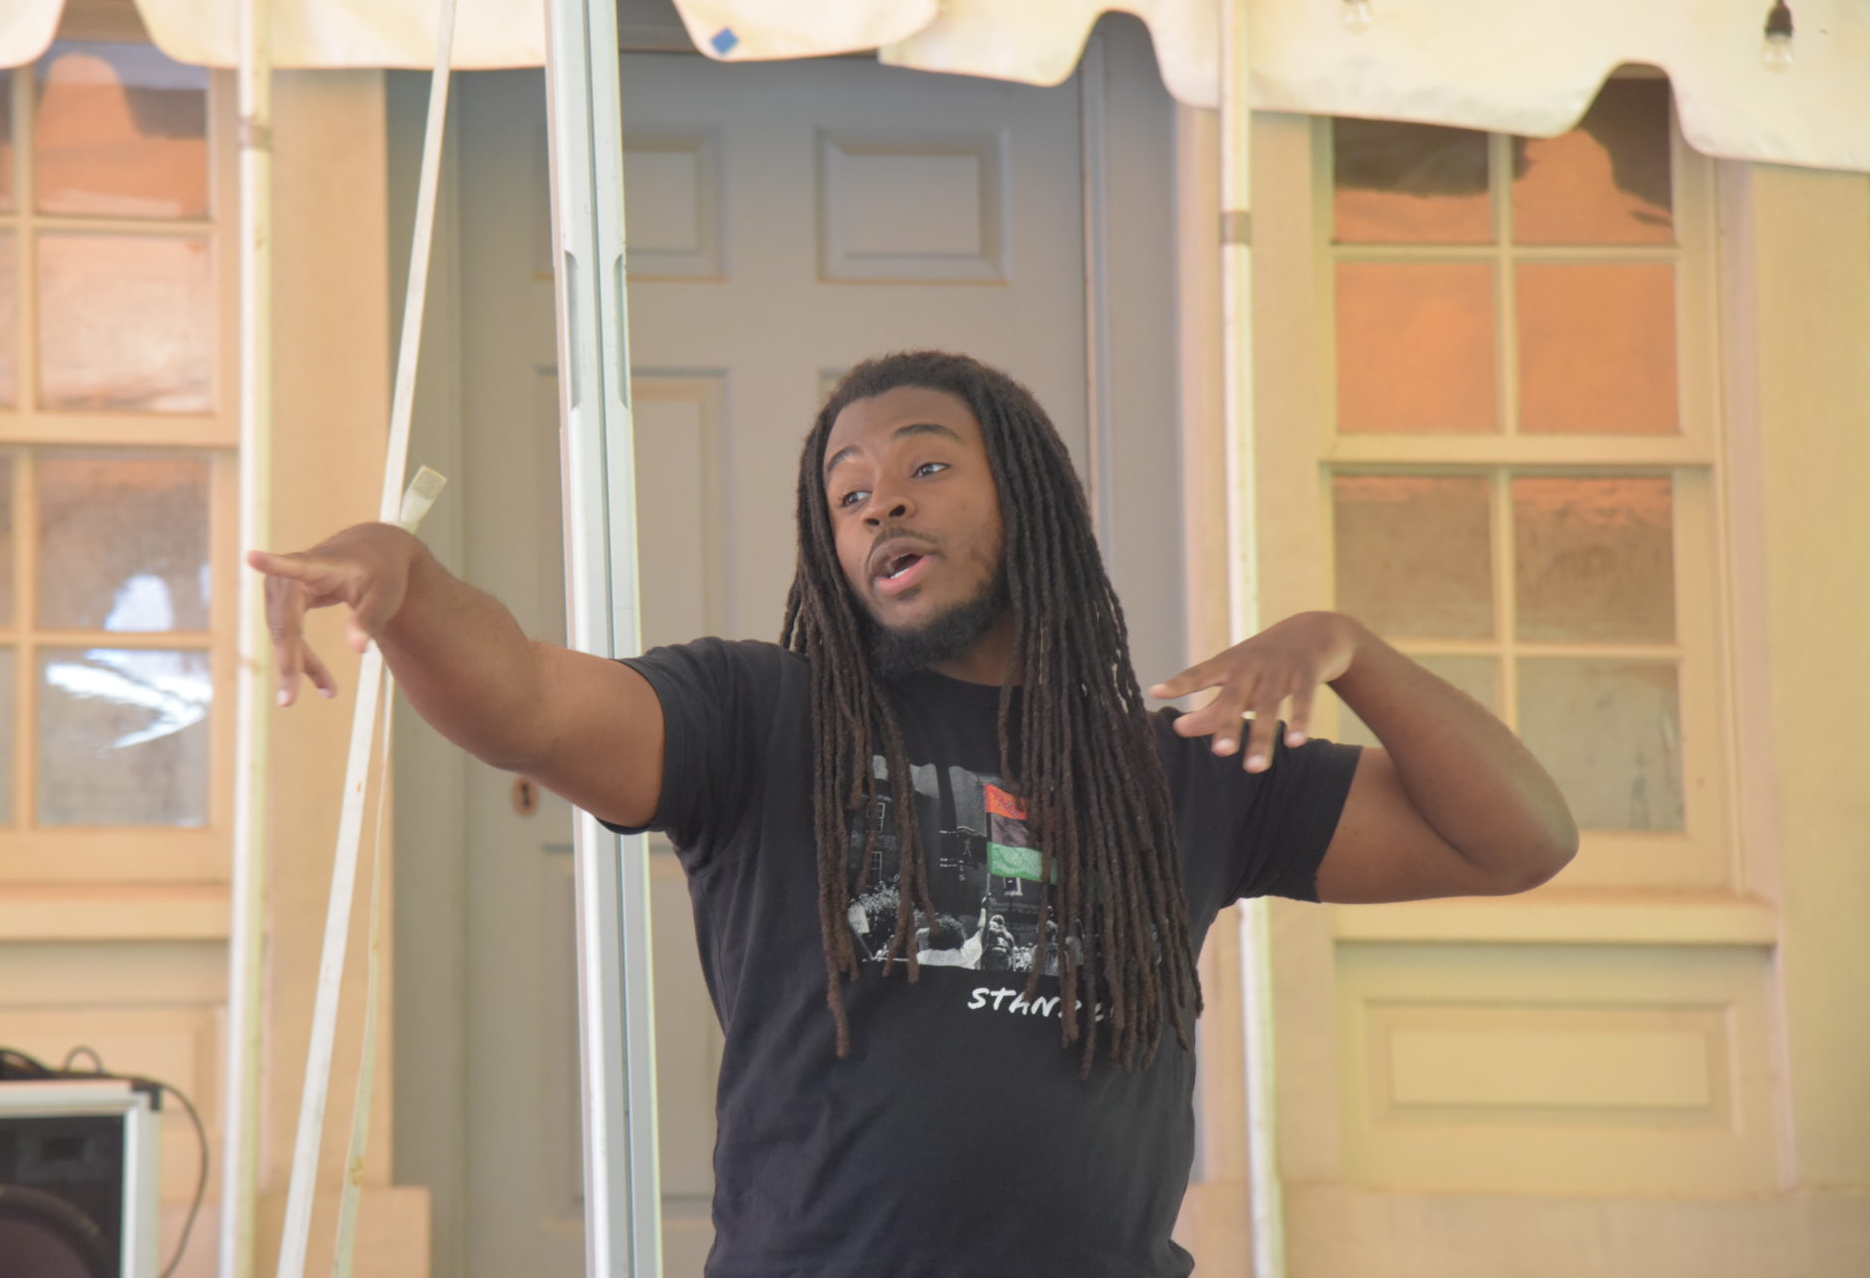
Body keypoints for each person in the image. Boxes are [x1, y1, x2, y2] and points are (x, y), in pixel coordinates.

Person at [250, 350, 1576, 1278]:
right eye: (847, 491)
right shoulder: (758, 720)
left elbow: (1517, 838)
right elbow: (528, 701)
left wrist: (1351, 645)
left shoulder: (1180, 763)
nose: (880, 494)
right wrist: (407, 581)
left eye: (926, 464)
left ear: (1029, 502)